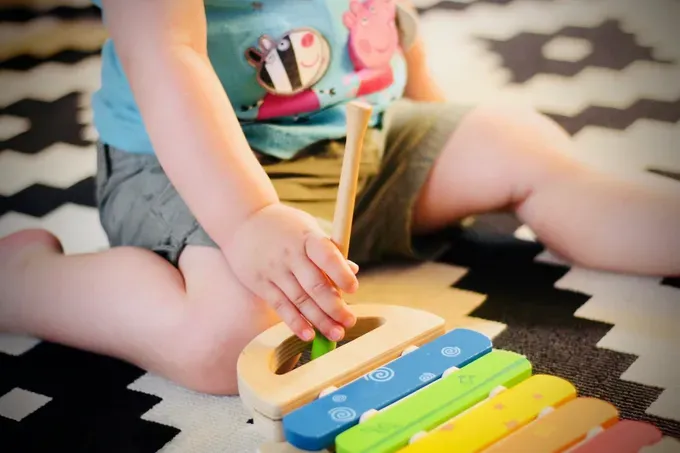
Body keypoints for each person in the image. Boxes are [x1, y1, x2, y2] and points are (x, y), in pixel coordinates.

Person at [0, 0, 678, 395]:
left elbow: (384, 21)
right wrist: (250, 220)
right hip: (195, 168)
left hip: (360, 138)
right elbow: (167, 58)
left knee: (515, 139)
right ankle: (29, 283)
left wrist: (437, 121)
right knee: (226, 341)